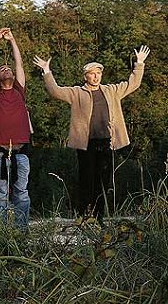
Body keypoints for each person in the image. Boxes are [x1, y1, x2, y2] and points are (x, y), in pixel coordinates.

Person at [33, 45, 150, 219]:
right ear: (85, 76)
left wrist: (139, 63)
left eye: (98, 73)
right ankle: (84, 216)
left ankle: (100, 216)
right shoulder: (77, 93)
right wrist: (47, 71)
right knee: (87, 180)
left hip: (107, 142)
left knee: (104, 181)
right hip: (86, 143)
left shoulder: (111, 91)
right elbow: (55, 91)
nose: (96, 76)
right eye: (92, 73)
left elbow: (133, 83)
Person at [0, 28, 32, 228]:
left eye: (9, 69)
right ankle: (1, 232)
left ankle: (21, 232)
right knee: (0, 195)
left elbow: (19, 63)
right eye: (2, 69)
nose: (6, 69)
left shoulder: (20, 90)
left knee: (21, 193)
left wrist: (12, 40)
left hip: (21, 152)